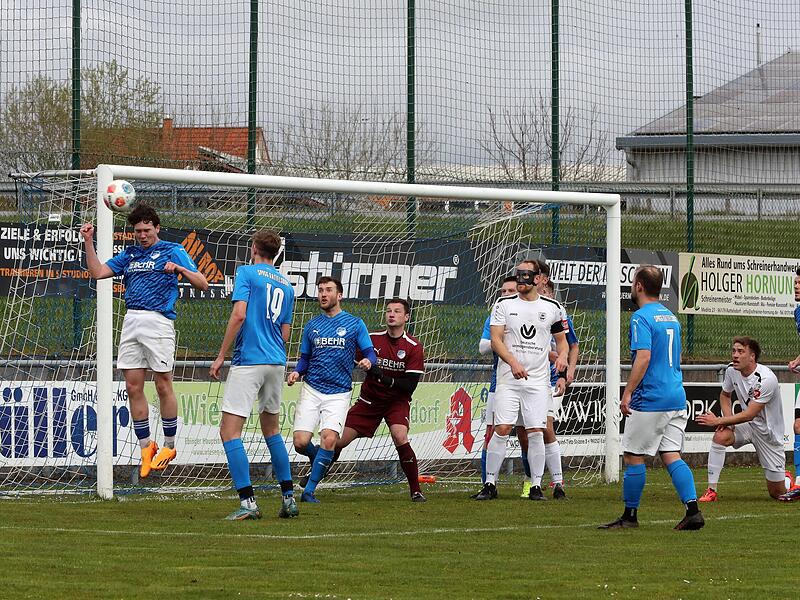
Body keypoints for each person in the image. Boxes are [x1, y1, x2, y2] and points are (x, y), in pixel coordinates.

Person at [80, 204, 208, 478]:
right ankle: (146, 447)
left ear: (157, 228)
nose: (142, 235)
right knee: (132, 386)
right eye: (137, 231)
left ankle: (170, 446)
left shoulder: (173, 251)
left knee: (163, 384)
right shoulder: (129, 255)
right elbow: (98, 272)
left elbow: (204, 283)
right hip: (131, 321)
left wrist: (180, 270)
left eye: (147, 230)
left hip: (159, 322)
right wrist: (89, 242)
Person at [599, 265, 703, 530]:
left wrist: (628, 391)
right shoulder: (671, 317)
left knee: (633, 455)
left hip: (651, 398)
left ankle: (630, 516)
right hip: (676, 396)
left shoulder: (640, 317)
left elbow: (643, 357)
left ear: (639, 286)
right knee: (671, 454)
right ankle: (693, 510)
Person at [209, 230, 298, 521]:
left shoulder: (246, 273)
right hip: (276, 361)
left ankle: (248, 502)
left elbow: (239, 315)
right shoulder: (287, 285)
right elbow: (285, 332)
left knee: (229, 431)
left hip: (249, 360)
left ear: (254, 248)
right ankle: (288, 498)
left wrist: (222, 354)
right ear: (276, 254)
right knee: (272, 430)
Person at [472, 260, 568, 501]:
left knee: (537, 431)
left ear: (538, 279)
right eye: (519, 275)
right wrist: (513, 363)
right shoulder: (503, 305)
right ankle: (490, 484)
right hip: (508, 379)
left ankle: (536, 486)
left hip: (537, 382)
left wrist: (563, 357)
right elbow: (495, 340)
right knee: (502, 428)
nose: (521, 279)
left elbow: (562, 341)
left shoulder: (553, 307)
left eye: (526, 275)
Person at [320, 298, 427, 501]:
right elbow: (352, 357)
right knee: (337, 440)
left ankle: (415, 490)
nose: (391, 314)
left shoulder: (413, 346)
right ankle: (315, 476)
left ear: (406, 317)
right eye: (388, 311)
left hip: (396, 402)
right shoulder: (372, 340)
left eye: (396, 311)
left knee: (400, 436)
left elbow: (409, 386)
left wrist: (382, 377)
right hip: (369, 401)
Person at [288, 276, 376, 503]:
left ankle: (309, 491)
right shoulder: (312, 325)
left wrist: (368, 362)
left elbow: (370, 353)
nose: (323, 294)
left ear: (340, 295)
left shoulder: (355, 323)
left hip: (338, 392)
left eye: (328, 290)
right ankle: (319, 459)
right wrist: (297, 372)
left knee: (329, 439)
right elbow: (305, 358)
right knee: (300, 442)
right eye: (320, 290)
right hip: (312, 388)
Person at [515, 263, 579, 500]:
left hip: (548, 380)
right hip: (521, 379)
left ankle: (557, 482)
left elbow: (571, 344)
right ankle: (532, 480)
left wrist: (566, 372)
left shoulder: (557, 311)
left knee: (544, 428)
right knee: (524, 433)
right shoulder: (520, 306)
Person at [697, 337, 787, 501]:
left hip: (768, 433)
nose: (735, 355)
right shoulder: (732, 370)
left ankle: (785, 479)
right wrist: (729, 421)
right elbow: (725, 396)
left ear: (752, 356)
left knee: (778, 494)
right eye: (733, 351)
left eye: (740, 351)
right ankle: (711, 490)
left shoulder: (766, 379)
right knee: (720, 436)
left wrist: (718, 421)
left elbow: (750, 413)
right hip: (747, 425)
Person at [476, 276, 519, 487]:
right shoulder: (494, 317)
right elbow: (483, 347)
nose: (505, 295)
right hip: (499, 383)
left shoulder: (531, 315)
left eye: (510, 291)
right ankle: (488, 483)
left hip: (532, 383)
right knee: (492, 432)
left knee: (532, 433)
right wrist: (498, 340)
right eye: (502, 291)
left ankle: (533, 483)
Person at [781, 268, 800, 500]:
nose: (796, 286)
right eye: (795, 282)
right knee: (798, 426)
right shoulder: (798, 312)